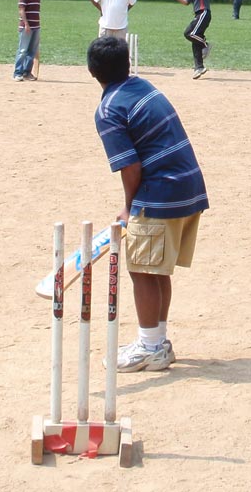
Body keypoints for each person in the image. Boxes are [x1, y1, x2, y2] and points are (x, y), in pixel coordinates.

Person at [87, 36, 209, 373]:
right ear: (127, 63)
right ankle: (157, 341)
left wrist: (129, 206)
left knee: (141, 268)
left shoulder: (109, 109)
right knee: (156, 269)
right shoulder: (142, 85)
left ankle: (150, 346)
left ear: (91, 70)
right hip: (189, 186)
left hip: (162, 191)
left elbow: (131, 166)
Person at [172, 0, 212, 79]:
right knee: (195, 42)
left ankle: (206, 44)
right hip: (198, 15)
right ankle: (199, 67)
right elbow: (186, 2)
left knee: (189, 33)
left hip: (204, 13)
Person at [13, 0, 41, 81]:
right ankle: (17, 73)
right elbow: (21, 10)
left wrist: (37, 27)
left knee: (32, 51)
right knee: (23, 50)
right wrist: (26, 24)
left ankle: (27, 72)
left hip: (36, 27)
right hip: (26, 27)